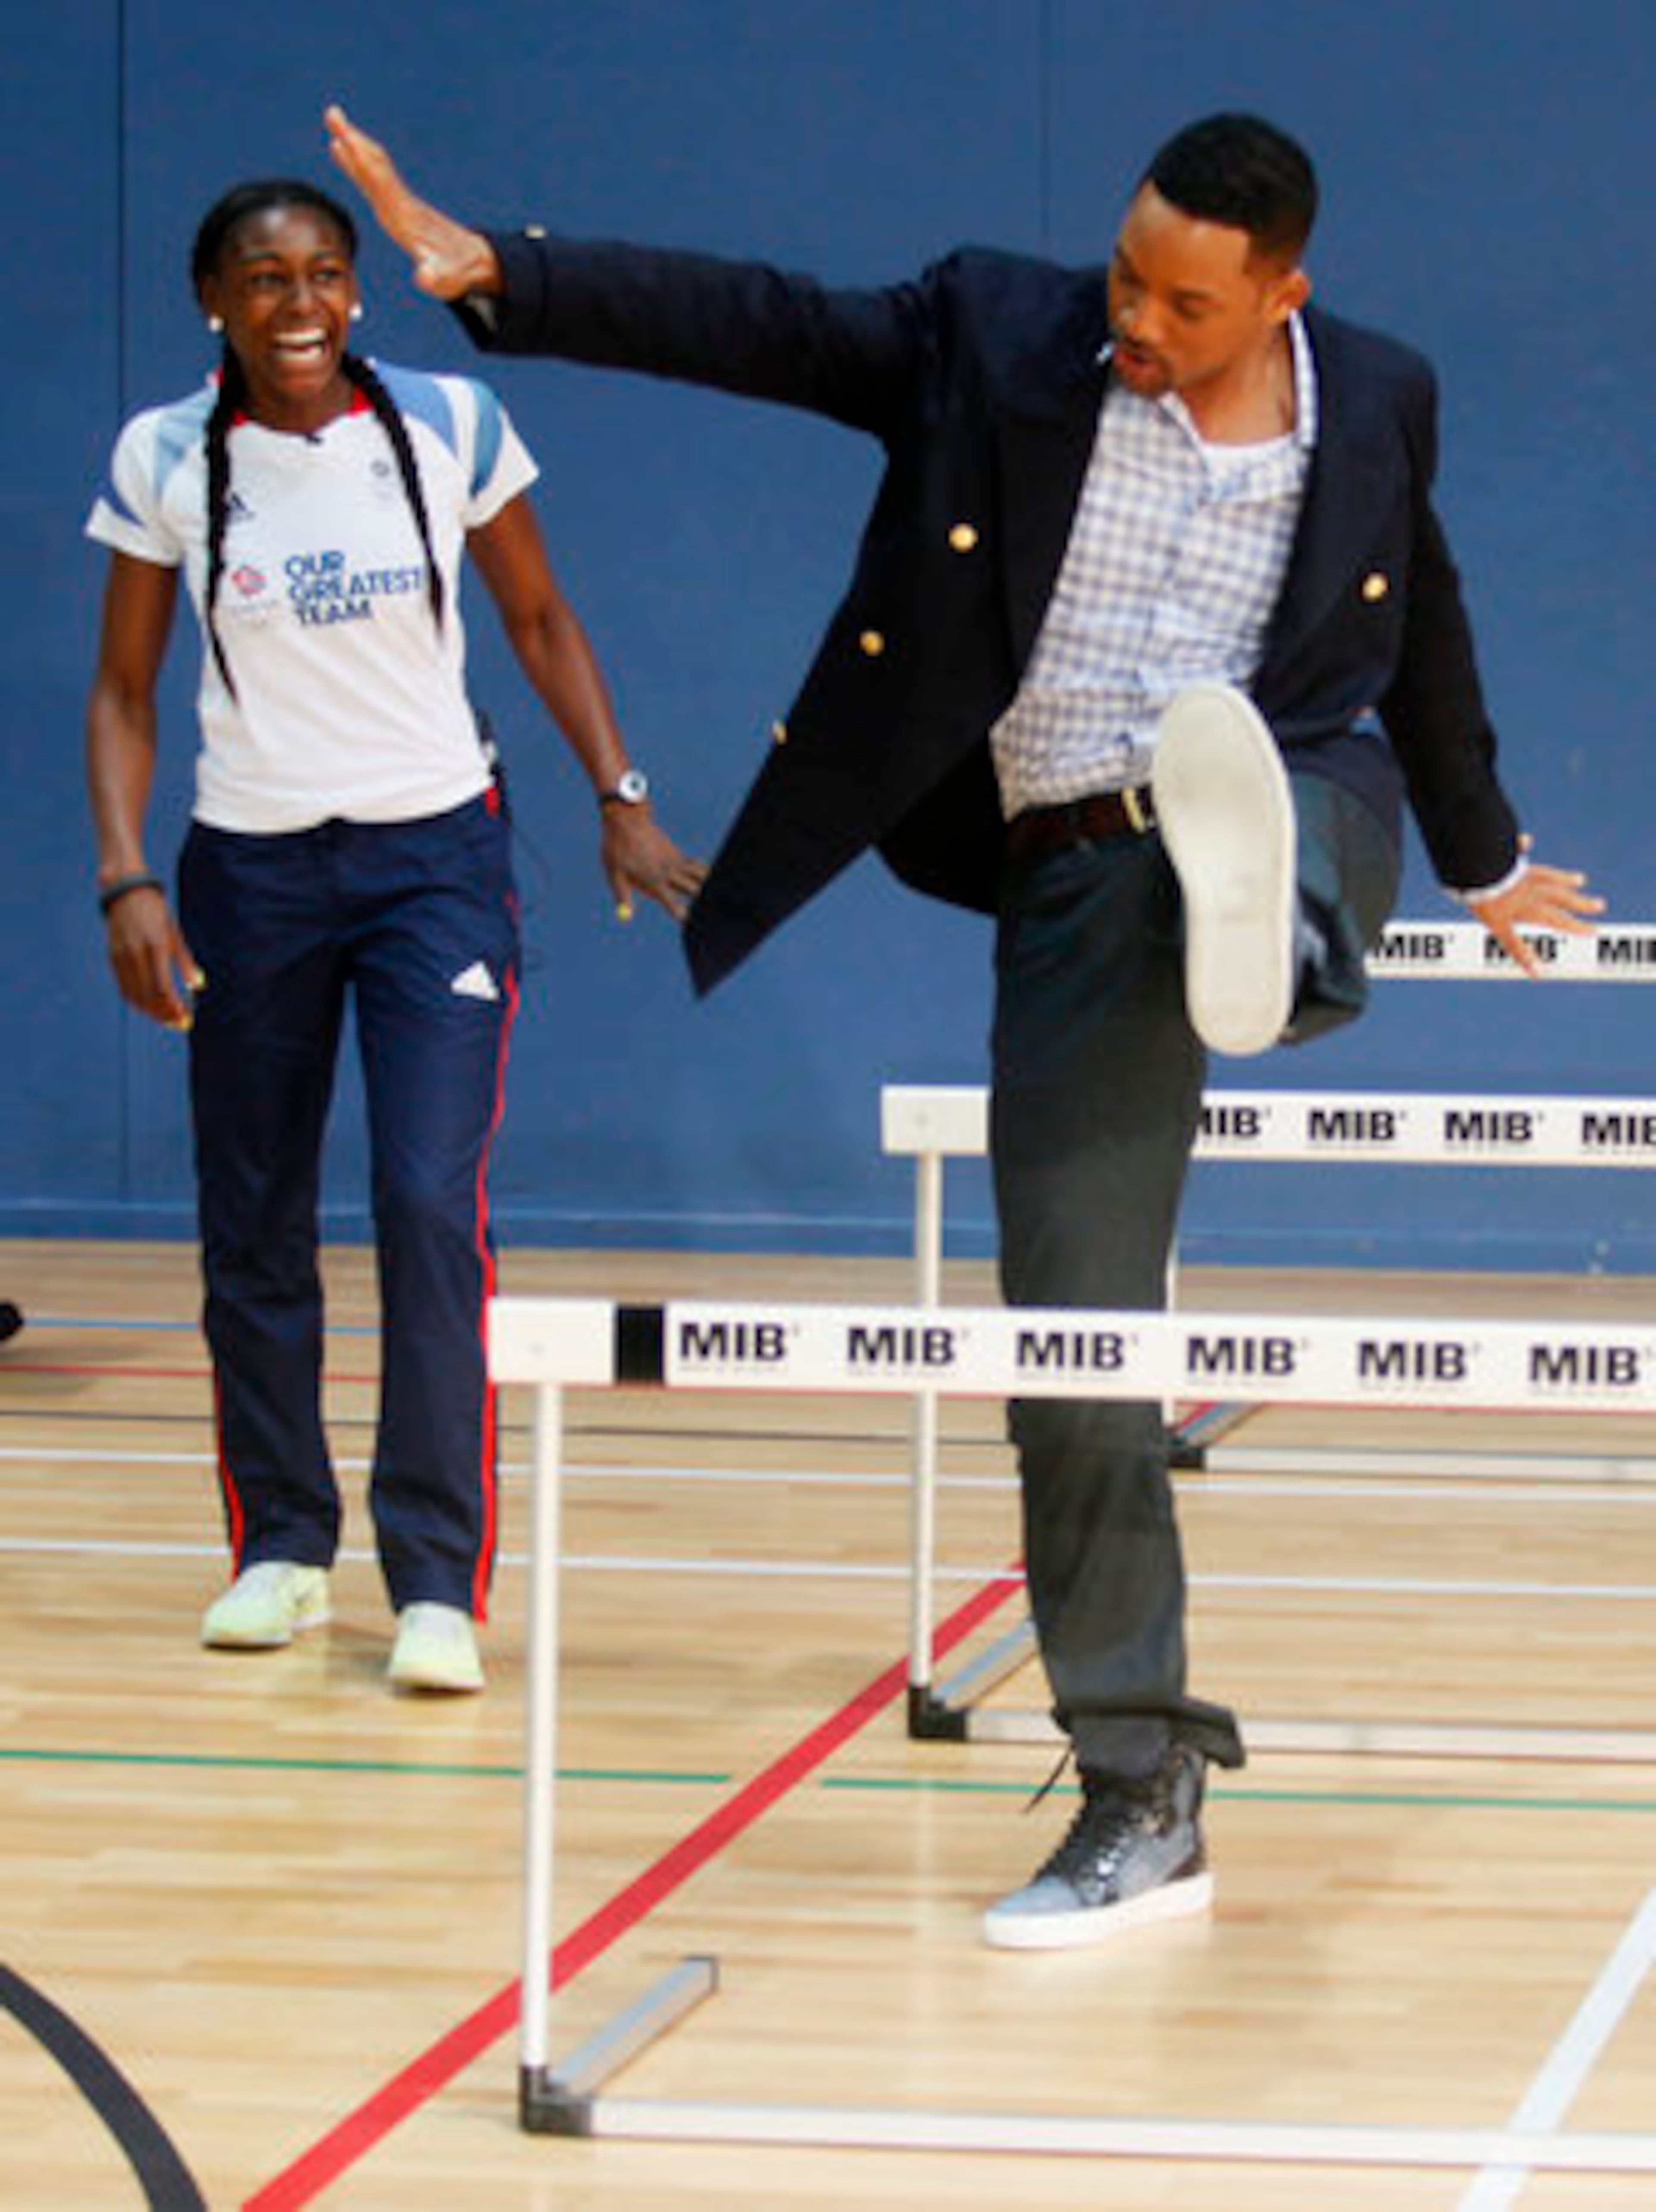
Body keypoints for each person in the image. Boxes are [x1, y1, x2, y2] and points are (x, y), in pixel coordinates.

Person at [326, 107, 1600, 1920]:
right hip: (1074, 866)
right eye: (1126, 276)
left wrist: (1485, 855)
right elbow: (762, 322)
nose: (1137, 320)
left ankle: (1273, 921)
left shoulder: (1378, 393)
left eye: (1183, 301)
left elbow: (1434, 620)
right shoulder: (1000, 331)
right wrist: (507, 275)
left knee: (1275, 818)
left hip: (1306, 797)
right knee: (1077, 1343)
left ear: (1284, 295)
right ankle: (1140, 1777)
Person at [85, 175, 704, 1697]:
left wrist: (617, 796)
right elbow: (122, 690)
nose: (299, 306)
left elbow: (543, 621)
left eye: (324, 275)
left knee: (431, 1205)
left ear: (357, 290)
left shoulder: (446, 426)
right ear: (213, 303)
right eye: (263, 279)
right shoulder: (166, 455)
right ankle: (283, 1551)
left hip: (435, 863)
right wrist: (126, 878)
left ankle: (435, 1578)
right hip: (250, 874)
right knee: (256, 1220)